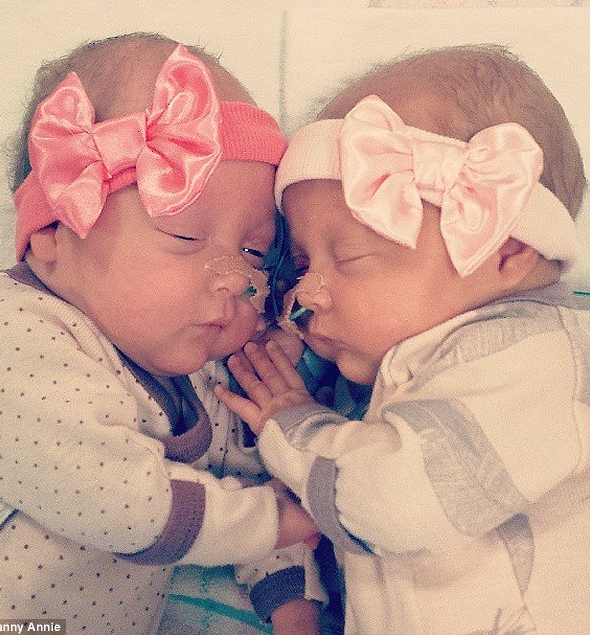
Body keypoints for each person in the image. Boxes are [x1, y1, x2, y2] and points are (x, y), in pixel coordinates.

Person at [0, 32, 326, 635]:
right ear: (53, 234)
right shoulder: (13, 332)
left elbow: (250, 492)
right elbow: (118, 502)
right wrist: (272, 520)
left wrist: (294, 611)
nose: (236, 278)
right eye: (185, 236)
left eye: (255, 252)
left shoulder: (203, 377)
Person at [215, 45, 590, 634]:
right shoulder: (395, 375)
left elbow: (392, 504)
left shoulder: (541, 359)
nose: (306, 292)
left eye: (350, 257)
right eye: (304, 263)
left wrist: (293, 425)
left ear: (506, 250)